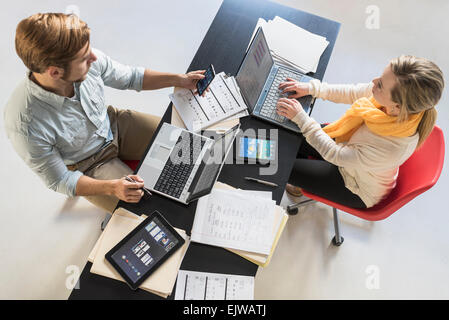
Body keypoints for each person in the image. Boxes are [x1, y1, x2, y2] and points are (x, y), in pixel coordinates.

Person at [4, 13, 207, 213]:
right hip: (87, 164)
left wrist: (179, 79)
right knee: (154, 212)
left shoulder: (86, 59)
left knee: (194, 146)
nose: (94, 57)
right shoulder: (24, 122)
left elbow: (131, 77)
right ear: (55, 72)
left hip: (114, 125)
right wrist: (113, 187)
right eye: (84, 58)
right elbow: (59, 179)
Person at [276, 55, 444, 209]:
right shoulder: (397, 104)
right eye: (380, 76)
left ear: (397, 107)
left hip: (353, 184)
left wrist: (302, 119)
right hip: (350, 150)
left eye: (380, 84)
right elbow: (353, 92)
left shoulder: (390, 148)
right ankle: (300, 172)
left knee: (275, 163)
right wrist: (312, 89)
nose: (374, 81)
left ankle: (296, 180)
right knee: (283, 133)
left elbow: (335, 155)